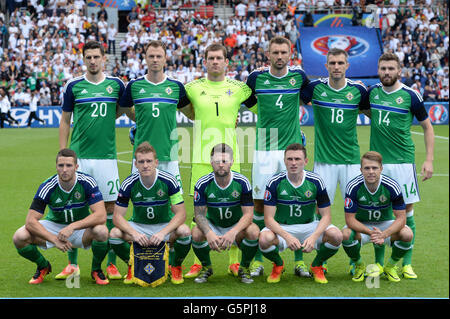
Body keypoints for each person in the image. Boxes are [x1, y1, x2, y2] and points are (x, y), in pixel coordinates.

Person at [59, 41, 129, 282]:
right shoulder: (74, 86)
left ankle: (109, 264)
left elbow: (124, 110)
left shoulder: (116, 85)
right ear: (83, 59)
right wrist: (64, 154)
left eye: (96, 57)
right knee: (76, 208)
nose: (92, 61)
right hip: (80, 158)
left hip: (107, 158)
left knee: (110, 211)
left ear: (104, 59)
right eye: (88, 57)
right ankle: (72, 265)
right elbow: (65, 120)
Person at [243, 36, 310, 277]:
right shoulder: (256, 78)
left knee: (296, 201)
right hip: (264, 150)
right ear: (268, 54)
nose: (279, 56)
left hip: (290, 151)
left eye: (283, 52)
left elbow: (311, 98)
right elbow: (248, 101)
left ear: (290, 54)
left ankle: (299, 260)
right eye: (275, 52)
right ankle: (260, 259)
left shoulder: (299, 77)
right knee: (260, 203)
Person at [184, 43, 252, 278]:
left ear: (226, 62)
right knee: (199, 212)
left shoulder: (241, 88)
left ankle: (234, 262)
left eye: (219, 58)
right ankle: (198, 262)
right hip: (201, 159)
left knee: (233, 208)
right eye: (210, 58)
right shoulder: (191, 88)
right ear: (204, 61)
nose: (214, 61)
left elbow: (262, 107)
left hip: (232, 158)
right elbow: (186, 110)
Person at [300, 48, 370, 273]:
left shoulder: (358, 90)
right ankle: (321, 260)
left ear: (347, 66)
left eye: (341, 63)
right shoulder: (315, 88)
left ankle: (355, 261)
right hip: (324, 162)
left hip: (351, 162)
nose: (337, 66)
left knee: (357, 214)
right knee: (318, 212)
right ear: (326, 66)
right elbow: (292, 100)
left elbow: (373, 112)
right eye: (332, 63)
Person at [368, 53, 435, 279]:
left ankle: (403, 263)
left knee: (407, 213)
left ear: (399, 71)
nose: (386, 72)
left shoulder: (410, 96)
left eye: (391, 68)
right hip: (378, 165)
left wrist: (429, 160)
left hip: (403, 164)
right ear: (378, 70)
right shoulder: (372, 92)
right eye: (383, 68)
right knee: (378, 214)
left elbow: (427, 127)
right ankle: (377, 264)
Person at [12, 149, 110, 285]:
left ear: (76, 167)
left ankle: (96, 269)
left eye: (69, 165)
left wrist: (72, 227)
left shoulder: (87, 182)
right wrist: (53, 239)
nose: (64, 170)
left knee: (102, 231)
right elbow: (30, 221)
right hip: (55, 227)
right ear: (56, 167)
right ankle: (43, 266)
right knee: (19, 237)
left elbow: (101, 215)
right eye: (61, 165)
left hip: (80, 229)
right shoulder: (47, 186)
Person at [258, 143, 342, 284]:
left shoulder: (316, 181)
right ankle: (278, 265)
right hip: (283, 227)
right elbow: (268, 219)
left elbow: (326, 216)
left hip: (309, 226)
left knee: (336, 235)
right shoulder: (274, 182)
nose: (293, 163)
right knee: (264, 239)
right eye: (289, 159)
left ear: (305, 161)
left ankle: (316, 265)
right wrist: (287, 237)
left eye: (297, 159)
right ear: (284, 161)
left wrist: (314, 237)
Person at [109, 142, 191, 285]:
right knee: (114, 234)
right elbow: (117, 217)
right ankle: (132, 265)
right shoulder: (129, 183)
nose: (145, 165)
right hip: (139, 226)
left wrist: (162, 233)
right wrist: (134, 233)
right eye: (141, 162)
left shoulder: (169, 180)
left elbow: (181, 214)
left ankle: (176, 265)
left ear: (156, 162)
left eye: (149, 161)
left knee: (185, 231)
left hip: (163, 226)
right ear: (135, 164)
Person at [192, 143, 259, 284]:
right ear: (211, 163)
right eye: (217, 161)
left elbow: (248, 215)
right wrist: (209, 233)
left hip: (235, 226)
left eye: (224, 161)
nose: (221, 165)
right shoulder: (202, 183)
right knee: (196, 233)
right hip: (214, 225)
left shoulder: (242, 182)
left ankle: (244, 268)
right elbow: (199, 215)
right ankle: (206, 267)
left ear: (232, 162)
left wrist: (233, 232)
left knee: (253, 231)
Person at [342, 151, 414, 282]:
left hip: (385, 224)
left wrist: (384, 234)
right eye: (367, 168)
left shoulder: (392, 186)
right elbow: (350, 219)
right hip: (362, 225)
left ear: (381, 169)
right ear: (361, 169)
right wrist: (371, 233)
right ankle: (359, 265)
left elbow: (401, 219)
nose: (371, 171)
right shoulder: (353, 186)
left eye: (374, 168)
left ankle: (390, 266)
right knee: (345, 234)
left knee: (407, 234)